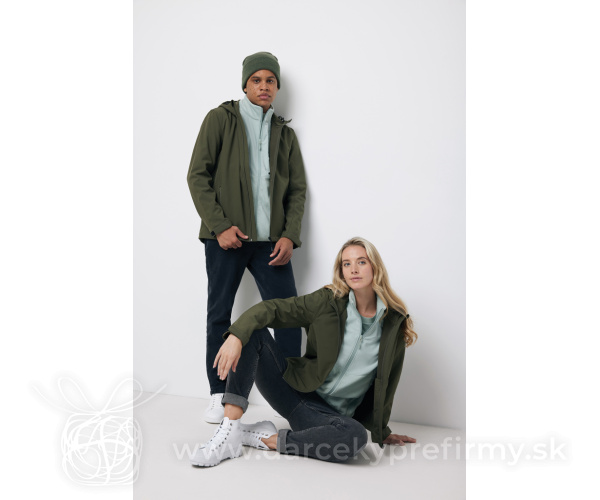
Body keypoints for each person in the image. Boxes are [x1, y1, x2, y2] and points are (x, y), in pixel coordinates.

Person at [190, 237, 417, 467]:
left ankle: (264, 439)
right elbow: (273, 309)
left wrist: (381, 431)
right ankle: (230, 430)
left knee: (355, 436)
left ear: (375, 266)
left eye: (361, 262)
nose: (353, 270)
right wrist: (236, 335)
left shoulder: (393, 324)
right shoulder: (328, 301)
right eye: (346, 264)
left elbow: (387, 383)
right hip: (293, 390)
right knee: (252, 331)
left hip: (325, 416)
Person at [187, 52, 307, 423]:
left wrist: (289, 235)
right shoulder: (220, 119)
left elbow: (297, 190)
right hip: (226, 239)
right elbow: (198, 176)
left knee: (288, 315)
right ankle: (218, 393)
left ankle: (292, 395)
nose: (264, 86)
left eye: (270, 80)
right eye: (257, 79)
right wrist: (220, 226)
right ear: (245, 84)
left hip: (271, 244)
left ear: (277, 87)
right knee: (219, 315)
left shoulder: (284, 134)